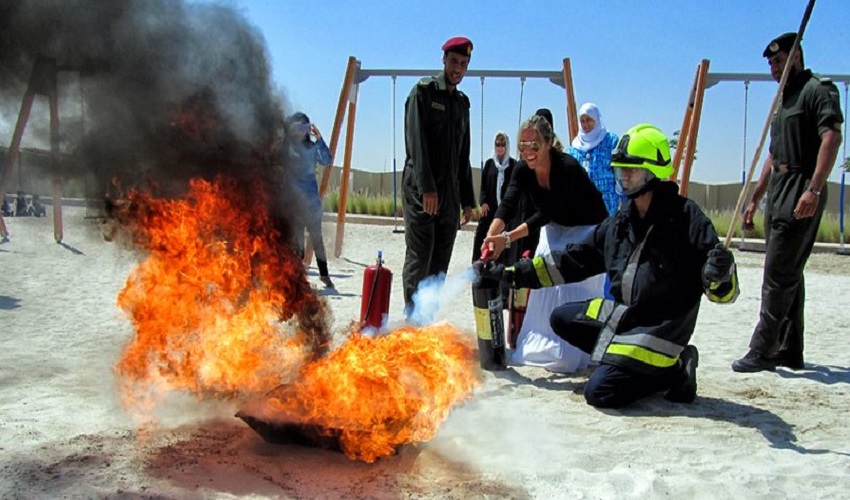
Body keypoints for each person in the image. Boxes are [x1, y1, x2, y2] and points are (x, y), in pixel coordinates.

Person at [500, 124, 739, 408]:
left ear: (653, 173)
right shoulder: (621, 222)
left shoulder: (687, 218)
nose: (623, 176)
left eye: (631, 169)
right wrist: (513, 274)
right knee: (562, 317)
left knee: (599, 392)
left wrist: (720, 276)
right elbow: (573, 260)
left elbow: (723, 293)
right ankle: (627, 364)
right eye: (620, 169)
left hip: (660, 330)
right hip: (626, 317)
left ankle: (675, 371)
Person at [732, 32, 843, 373]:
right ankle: (789, 349)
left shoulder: (818, 90)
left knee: (778, 273)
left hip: (801, 186)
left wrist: (814, 189)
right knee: (789, 271)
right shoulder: (784, 99)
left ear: (796, 56)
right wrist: (755, 198)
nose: (774, 69)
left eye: (779, 61)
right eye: (770, 64)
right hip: (779, 188)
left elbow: (832, 136)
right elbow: (773, 155)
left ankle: (762, 350)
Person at [482, 114, 608, 373]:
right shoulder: (522, 170)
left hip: (586, 230)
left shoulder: (567, 168)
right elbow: (508, 204)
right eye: (523, 145)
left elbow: (546, 213)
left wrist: (506, 238)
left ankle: (574, 350)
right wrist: (491, 237)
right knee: (543, 281)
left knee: (571, 286)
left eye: (534, 145)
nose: (528, 151)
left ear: (548, 143)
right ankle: (541, 342)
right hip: (554, 229)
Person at [402, 36, 475, 317]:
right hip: (422, 192)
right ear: (443, 60)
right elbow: (416, 144)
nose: (458, 68)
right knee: (420, 257)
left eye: (463, 64)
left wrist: (467, 200)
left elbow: (463, 155)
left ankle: (427, 320)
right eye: (454, 61)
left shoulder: (462, 103)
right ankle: (412, 322)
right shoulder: (423, 92)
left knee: (440, 262)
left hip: (450, 195)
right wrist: (427, 189)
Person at [284, 111, 335, 289]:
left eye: (305, 126)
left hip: (312, 203)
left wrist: (320, 139)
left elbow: (327, 160)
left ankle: (324, 275)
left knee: (317, 239)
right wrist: (288, 132)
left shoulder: (313, 147)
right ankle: (299, 277)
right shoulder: (288, 147)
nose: (302, 130)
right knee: (297, 242)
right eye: (298, 126)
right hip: (295, 203)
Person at [567, 102, 623, 215]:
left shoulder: (611, 140)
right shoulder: (574, 147)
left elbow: (619, 171)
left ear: (596, 119)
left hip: (608, 203)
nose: (585, 124)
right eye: (582, 121)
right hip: (584, 206)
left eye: (589, 120)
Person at [472, 131, 516, 263]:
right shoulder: (489, 164)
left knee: (503, 240)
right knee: (482, 235)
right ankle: (477, 265)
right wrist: (483, 202)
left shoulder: (513, 165)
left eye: (502, 145)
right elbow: (483, 186)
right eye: (497, 145)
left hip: (505, 211)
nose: (500, 148)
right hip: (490, 208)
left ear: (507, 147)